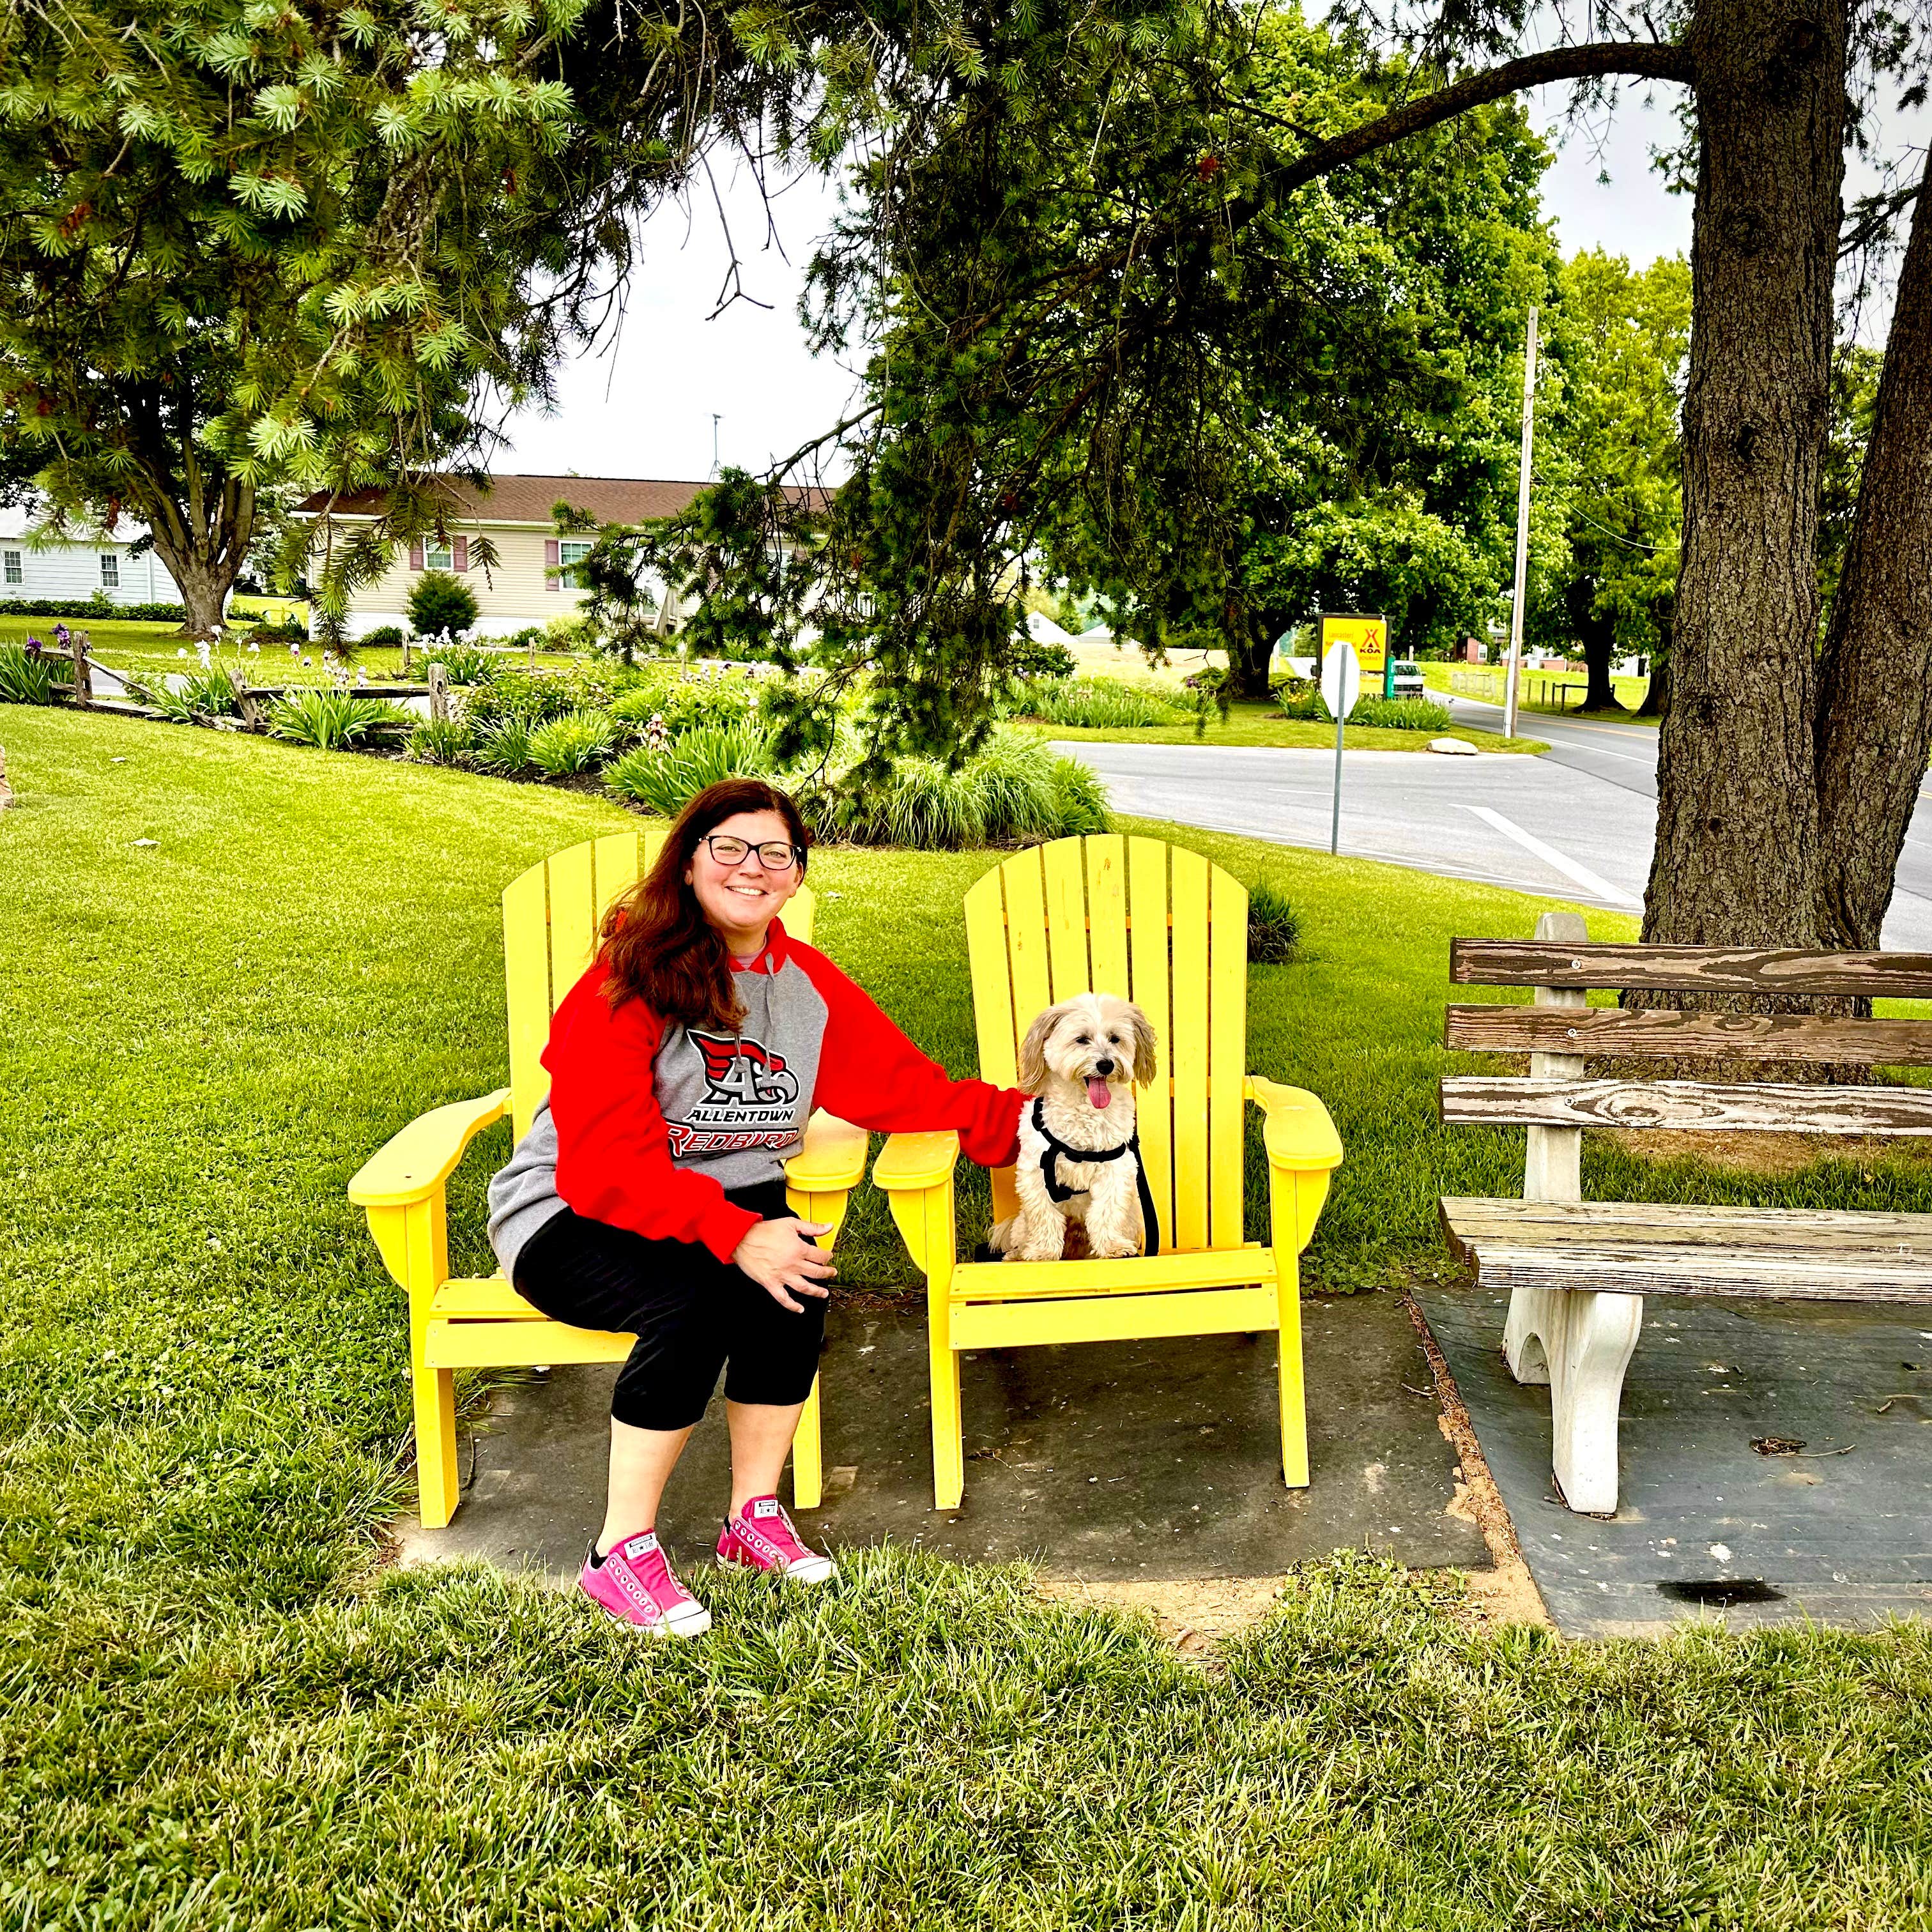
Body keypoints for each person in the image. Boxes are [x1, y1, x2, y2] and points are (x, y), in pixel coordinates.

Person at [487, 778, 1025, 1636]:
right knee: (695, 1303)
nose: (753, 868)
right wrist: (735, 1235)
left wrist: (1028, 1124)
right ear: (689, 862)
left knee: (795, 1284)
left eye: (776, 853)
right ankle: (618, 1552)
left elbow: (898, 1084)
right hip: (571, 1211)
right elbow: (605, 1160)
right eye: (730, 847)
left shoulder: (805, 984)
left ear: (798, 874)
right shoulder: (627, 980)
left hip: (725, 1203)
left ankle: (752, 1518)